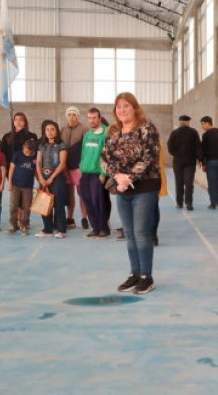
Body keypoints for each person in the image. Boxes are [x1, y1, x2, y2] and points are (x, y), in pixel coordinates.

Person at [103, 92, 161, 295]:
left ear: (135, 108)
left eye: (126, 106)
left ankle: (147, 277)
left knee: (141, 233)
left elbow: (149, 157)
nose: (122, 110)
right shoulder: (113, 132)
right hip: (121, 188)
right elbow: (104, 158)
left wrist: (128, 178)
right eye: (118, 106)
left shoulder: (147, 128)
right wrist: (117, 176)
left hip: (145, 186)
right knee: (129, 234)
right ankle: (134, 274)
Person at [79, 107, 111, 239]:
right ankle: (95, 227)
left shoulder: (105, 134)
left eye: (94, 118)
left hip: (98, 173)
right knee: (88, 201)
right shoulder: (87, 135)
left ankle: (103, 228)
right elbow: (83, 154)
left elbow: (108, 156)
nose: (91, 121)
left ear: (99, 118)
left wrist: (103, 174)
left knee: (98, 201)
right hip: (85, 173)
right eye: (89, 118)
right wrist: (81, 168)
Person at [35, 120, 68, 238]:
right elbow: (38, 162)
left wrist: (52, 178)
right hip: (43, 177)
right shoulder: (41, 145)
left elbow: (62, 163)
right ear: (44, 131)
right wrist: (40, 177)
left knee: (58, 204)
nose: (50, 132)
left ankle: (61, 230)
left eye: (52, 129)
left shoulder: (61, 145)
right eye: (47, 129)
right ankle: (47, 230)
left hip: (57, 177)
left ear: (57, 131)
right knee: (44, 203)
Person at [61, 106, 90, 230]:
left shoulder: (84, 129)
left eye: (74, 115)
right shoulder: (62, 129)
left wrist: (83, 165)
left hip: (79, 167)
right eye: (69, 115)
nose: (71, 117)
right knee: (69, 194)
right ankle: (70, 218)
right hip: (66, 167)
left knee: (82, 193)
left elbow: (88, 149)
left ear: (77, 116)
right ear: (66, 116)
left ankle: (84, 218)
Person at [166, 115, 201, 211]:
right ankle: (189, 203)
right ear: (188, 122)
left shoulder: (174, 133)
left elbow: (170, 147)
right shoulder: (193, 132)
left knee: (179, 182)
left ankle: (179, 203)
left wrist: (176, 154)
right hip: (190, 162)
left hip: (178, 162)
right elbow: (198, 147)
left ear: (180, 122)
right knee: (189, 183)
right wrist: (200, 159)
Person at [7, 139, 37, 235]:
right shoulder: (17, 155)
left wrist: (40, 182)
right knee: (13, 205)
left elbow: (36, 171)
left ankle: (24, 224)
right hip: (16, 184)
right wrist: (9, 182)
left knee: (27, 207)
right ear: (23, 147)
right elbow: (11, 168)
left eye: (30, 152)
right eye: (26, 151)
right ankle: (13, 224)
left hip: (28, 186)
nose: (28, 154)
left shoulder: (35, 157)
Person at [200, 116, 218, 209]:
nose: (202, 126)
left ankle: (213, 203)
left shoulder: (206, 135)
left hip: (210, 161)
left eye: (202, 124)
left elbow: (203, 150)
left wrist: (203, 163)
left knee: (212, 182)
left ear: (207, 123)